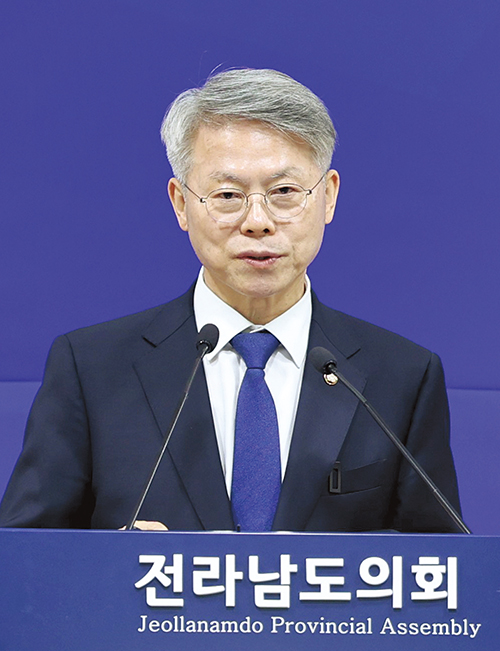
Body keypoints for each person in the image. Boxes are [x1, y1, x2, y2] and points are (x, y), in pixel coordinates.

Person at [0, 69, 461, 532]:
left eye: (284, 192)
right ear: (181, 203)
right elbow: (22, 558)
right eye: (227, 194)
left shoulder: (402, 377)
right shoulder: (92, 370)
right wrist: (114, 564)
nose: (257, 221)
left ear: (328, 197)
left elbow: (445, 564)